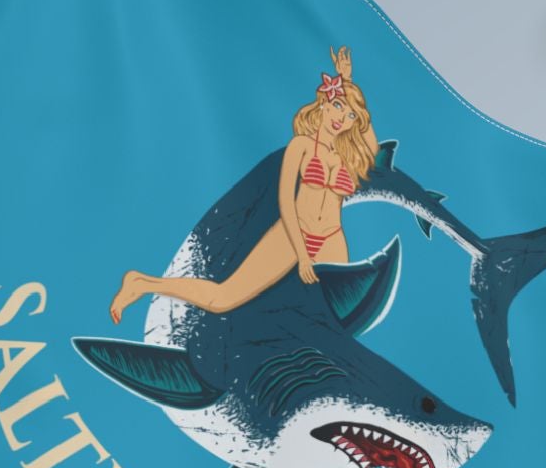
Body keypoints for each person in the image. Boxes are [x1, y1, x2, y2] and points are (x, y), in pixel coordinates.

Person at [109, 43, 382, 324]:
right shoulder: (300, 145)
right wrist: (302, 254)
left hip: (332, 239)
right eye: (338, 106)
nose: (342, 118)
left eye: (350, 115)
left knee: (335, 317)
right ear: (324, 102)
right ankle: (142, 283)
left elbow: (371, 143)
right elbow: (285, 200)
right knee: (222, 299)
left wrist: (348, 84)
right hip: (292, 234)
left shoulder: (349, 155)